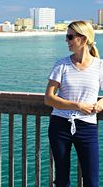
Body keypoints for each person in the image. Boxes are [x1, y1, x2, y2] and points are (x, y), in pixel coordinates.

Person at [44, 20, 103, 187]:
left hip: (87, 127)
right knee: (62, 180)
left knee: (92, 180)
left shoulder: (100, 66)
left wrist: (101, 103)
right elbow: (48, 98)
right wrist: (78, 106)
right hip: (60, 126)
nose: (66, 41)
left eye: (70, 37)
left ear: (83, 39)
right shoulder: (61, 64)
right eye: (66, 36)